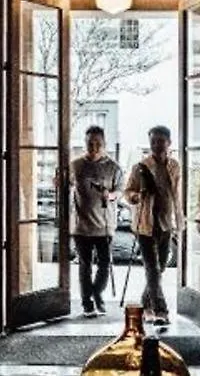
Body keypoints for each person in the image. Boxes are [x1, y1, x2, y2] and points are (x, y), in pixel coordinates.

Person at [124, 126, 184, 325]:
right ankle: (161, 310)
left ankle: (145, 303)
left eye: (161, 141)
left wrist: (180, 217)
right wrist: (136, 196)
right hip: (145, 224)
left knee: (161, 267)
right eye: (153, 141)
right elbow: (127, 192)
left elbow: (177, 193)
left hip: (166, 223)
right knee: (152, 268)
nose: (157, 145)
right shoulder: (141, 167)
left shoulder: (175, 166)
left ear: (169, 143)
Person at [70, 125, 124, 317]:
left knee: (104, 264)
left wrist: (110, 196)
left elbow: (120, 191)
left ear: (104, 144)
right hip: (81, 225)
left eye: (97, 144)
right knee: (84, 265)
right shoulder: (75, 165)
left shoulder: (114, 167)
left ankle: (97, 293)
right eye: (89, 143)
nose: (93, 147)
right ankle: (87, 303)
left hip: (105, 224)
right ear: (85, 143)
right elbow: (63, 183)